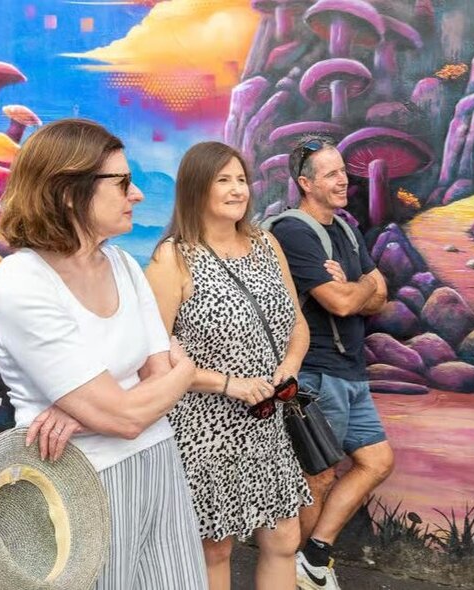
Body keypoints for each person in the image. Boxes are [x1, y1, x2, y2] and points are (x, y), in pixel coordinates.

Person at [0, 119, 207, 589]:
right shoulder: (24, 280)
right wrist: (184, 371)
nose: (138, 195)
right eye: (123, 183)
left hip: (158, 462)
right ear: (69, 191)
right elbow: (129, 413)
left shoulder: (123, 264)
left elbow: (155, 378)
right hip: (79, 484)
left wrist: (89, 411)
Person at [145, 141, 312, 590]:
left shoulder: (265, 242)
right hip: (203, 429)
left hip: (265, 421)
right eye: (224, 180)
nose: (238, 189)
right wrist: (227, 384)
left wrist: (290, 366)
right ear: (196, 189)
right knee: (215, 547)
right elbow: (152, 356)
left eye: (241, 179)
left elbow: (297, 322)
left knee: (284, 536)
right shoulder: (172, 257)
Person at [268, 135, 393, 590]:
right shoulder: (293, 231)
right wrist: (357, 290)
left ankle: (313, 558)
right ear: (305, 183)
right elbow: (342, 302)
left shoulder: (345, 228)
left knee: (377, 461)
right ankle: (287, 574)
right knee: (317, 478)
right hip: (317, 373)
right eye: (332, 174)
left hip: (350, 372)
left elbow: (381, 294)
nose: (344, 180)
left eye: (344, 171)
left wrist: (356, 289)